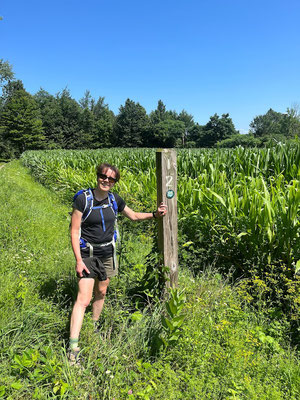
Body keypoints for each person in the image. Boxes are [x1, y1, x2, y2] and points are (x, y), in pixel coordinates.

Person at [68, 163, 167, 363]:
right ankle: (73, 347)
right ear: (97, 177)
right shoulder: (83, 199)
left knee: (102, 292)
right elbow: (74, 230)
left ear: (115, 182)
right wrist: (79, 260)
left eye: (111, 179)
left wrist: (155, 214)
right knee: (83, 299)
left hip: (107, 253)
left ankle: (94, 325)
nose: (106, 181)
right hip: (88, 253)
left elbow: (134, 216)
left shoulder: (114, 199)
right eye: (103, 176)